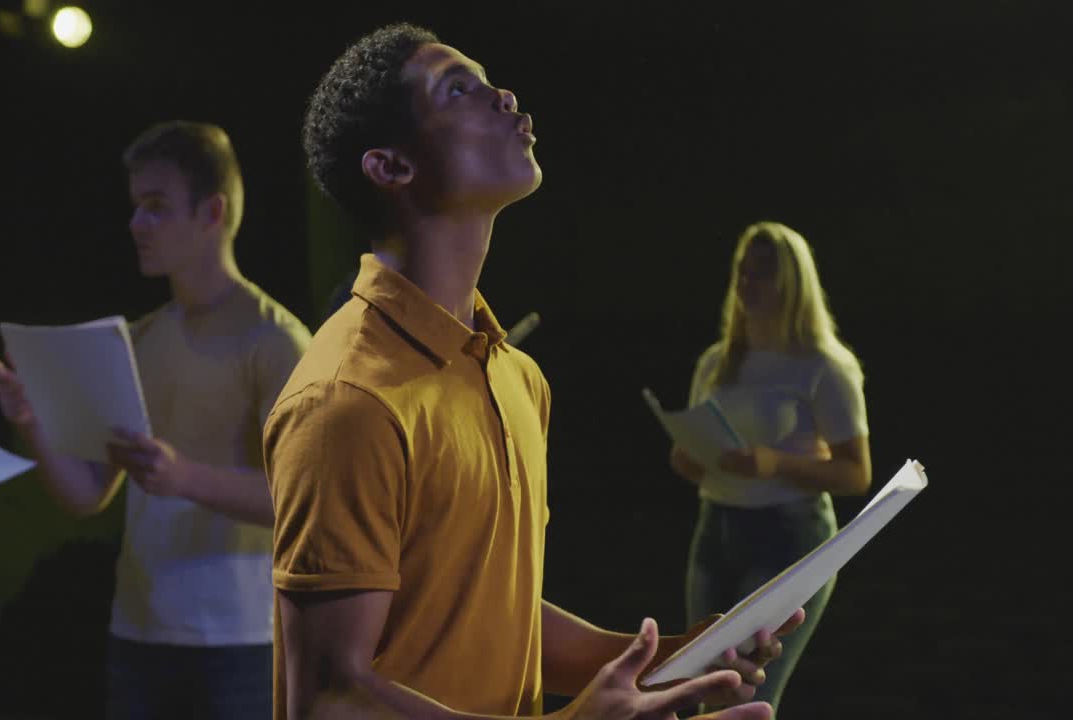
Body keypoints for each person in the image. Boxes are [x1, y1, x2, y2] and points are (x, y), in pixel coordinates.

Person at [263, 24, 803, 720]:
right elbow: (330, 700)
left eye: (489, 78)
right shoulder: (346, 399)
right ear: (391, 167)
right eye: (458, 88)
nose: (503, 94)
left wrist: (676, 658)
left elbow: (492, 610)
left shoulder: (516, 376)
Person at [0, 120, 311, 719]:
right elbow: (86, 494)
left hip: (243, 640)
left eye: (157, 207)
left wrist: (186, 477)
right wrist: (33, 423)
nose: (137, 224)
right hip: (139, 633)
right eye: (137, 206)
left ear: (212, 212)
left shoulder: (277, 339)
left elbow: (308, 498)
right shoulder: (138, 338)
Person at [670, 221, 871, 715]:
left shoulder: (823, 365)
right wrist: (690, 457)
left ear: (792, 282)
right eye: (742, 271)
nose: (747, 283)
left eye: (763, 272)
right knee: (704, 690)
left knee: (748, 696)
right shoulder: (717, 362)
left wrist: (774, 463)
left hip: (789, 536)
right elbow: (693, 462)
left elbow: (856, 473)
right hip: (717, 527)